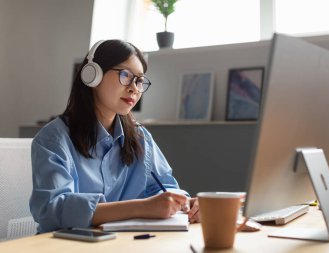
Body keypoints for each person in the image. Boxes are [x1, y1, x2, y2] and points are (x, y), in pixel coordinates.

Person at [29, 40, 200, 233]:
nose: (134, 88)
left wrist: (183, 203)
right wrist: (141, 207)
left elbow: (163, 186)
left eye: (139, 80)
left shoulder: (140, 136)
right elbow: (52, 209)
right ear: (92, 75)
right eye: (125, 75)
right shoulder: (54, 138)